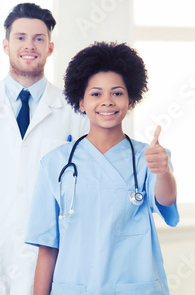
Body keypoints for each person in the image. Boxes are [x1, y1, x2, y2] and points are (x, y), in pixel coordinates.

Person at [0, 3, 89, 294]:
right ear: (6, 45)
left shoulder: (74, 112)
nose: (29, 45)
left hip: (53, 257)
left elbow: (86, 185)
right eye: (20, 37)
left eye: (38, 38)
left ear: (50, 47)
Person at [25, 41, 179, 295]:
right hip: (75, 287)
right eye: (96, 94)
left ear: (131, 101)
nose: (107, 101)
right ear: (81, 102)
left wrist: (163, 171)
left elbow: (165, 198)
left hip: (133, 286)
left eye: (117, 93)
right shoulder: (55, 163)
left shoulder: (149, 157)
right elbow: (47, 246)